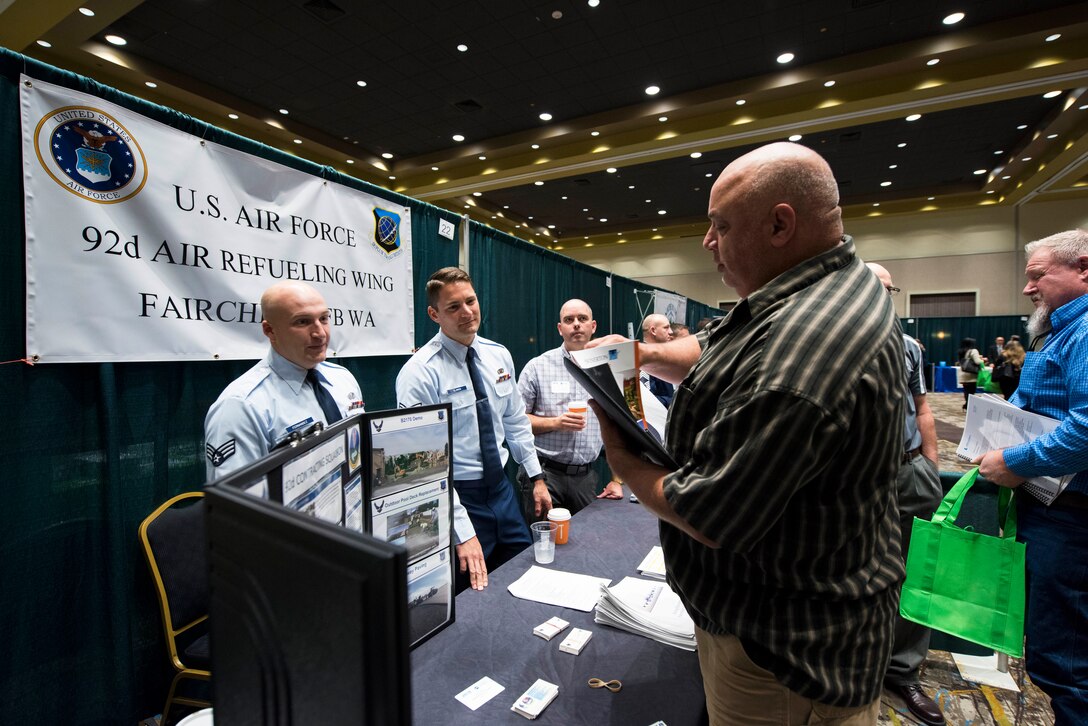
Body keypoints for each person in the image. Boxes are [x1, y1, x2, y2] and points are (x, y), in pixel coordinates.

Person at [589, 142, 905, 723]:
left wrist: (621, 452)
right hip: (797, 616)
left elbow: (711, 514)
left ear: (780, 224)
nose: (708, 243)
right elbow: (717, 345)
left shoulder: (804, 352)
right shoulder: (815, 285)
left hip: (784, 655)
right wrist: (646, 355)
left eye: (719, 226)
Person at [975, 229, 1088, 724]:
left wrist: (1017, 461)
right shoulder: (1063, 329)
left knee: (1064, 661)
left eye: (1038, 275)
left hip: (1071, 518)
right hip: (1052, 511)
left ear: (1084, 267)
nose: (1028, 288)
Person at [396, 267, 551, 590]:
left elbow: (515, 422)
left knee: (524, 573)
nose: (467, 312)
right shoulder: (420, 374)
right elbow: (422, 470)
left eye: (471, 301)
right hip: (458, 496)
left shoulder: (498, 355)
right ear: (433, 314)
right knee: (472, 592)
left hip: (502, 490)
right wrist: (461, 532)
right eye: (453, 307)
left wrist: (537, 478)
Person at [867, 264, 945, 726]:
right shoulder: (831, 338)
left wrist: (930, 465)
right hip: (854, 479)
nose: (880, 296)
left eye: (887, 289)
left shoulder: (908, 347)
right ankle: (858, 662)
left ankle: (903, 670)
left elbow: (923, 408)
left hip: (908, 468)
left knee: (914, 574)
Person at [204, 281, 365, 480]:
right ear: (270, 331)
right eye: (302, 322)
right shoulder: (242, 406)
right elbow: (236, 504)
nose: (320, 333)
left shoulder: (342, 379)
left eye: (323, 318)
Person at [517, 299, 623, 513]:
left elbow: (619, 427)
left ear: (593, 326)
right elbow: (516, 422)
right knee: (546, 542)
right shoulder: (537, 367)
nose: (576, 324)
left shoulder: (610, 369)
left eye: (582, 319)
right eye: (569, 320)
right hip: (544, 475)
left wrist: (617, 480)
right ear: (560, 328)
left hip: (585, 477)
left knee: (586, 542)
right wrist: (555, 422)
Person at [641, 313, 676, 406]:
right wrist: (677, 401)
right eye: (666, 328)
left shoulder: (661, 357)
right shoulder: (645, 360)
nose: (671, 331)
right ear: (653, 330)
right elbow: (648, 401)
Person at [957, 337, 984, 410]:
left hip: (964, 374)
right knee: (972, 391)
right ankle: (968, 405)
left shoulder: (961, 351)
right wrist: (983, 360)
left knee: (966, 390)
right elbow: (977, 361)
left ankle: (966, 404)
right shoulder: (973, 350)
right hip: (971, 374)